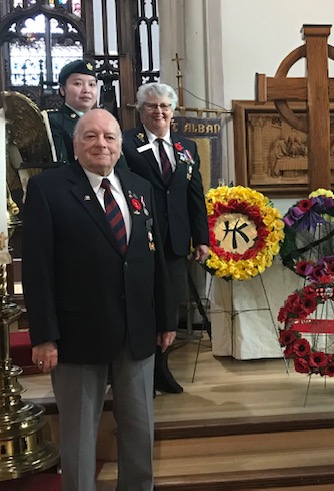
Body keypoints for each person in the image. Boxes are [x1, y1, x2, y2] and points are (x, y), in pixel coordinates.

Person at [22, 109, 175, 491]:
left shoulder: (139, 188)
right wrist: (43, 335)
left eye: (108, 137)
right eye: (90, 136)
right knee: (78, 434)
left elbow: (152, 258)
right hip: (77, 333)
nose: (100, 144)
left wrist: (166, 319)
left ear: (120, 145)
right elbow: (38, 268)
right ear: (75, 145)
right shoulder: (49, 189)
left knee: (140, 427)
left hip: (136, 330)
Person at [122, 82, 210, 394]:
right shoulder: (126, 143)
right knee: (144, 305)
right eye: (151, 106)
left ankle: (162, 370)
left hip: (175, 241)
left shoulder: (187, 147)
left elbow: (194, 193)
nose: (159, 112)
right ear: (140, 110)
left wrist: (202, 237)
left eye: (164, 106)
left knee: (168, 308)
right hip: (140, 239)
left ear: (172, 111)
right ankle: (139, 374)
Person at [46, 59, 98, 163]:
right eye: (78, 84)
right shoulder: (53, 121)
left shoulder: (103, 122)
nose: (86, 90)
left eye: (91, 85)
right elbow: (60, 164)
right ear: (62, 90)